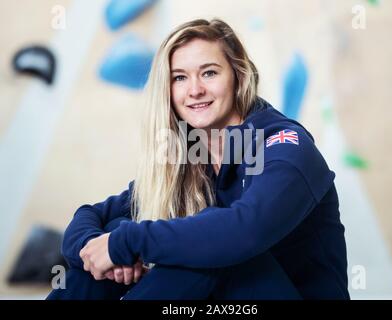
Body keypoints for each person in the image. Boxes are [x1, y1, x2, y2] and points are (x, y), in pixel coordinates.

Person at [47, 18, 349, 300]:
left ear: (238, 77)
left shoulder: (284, 146)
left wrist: (126, 243)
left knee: (211, 250)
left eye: (209, 73)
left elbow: (244, 232)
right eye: (180, 77)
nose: (195, 90)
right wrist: (102, 252)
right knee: (119, 225)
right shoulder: (193, 158)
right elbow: (90, 216)